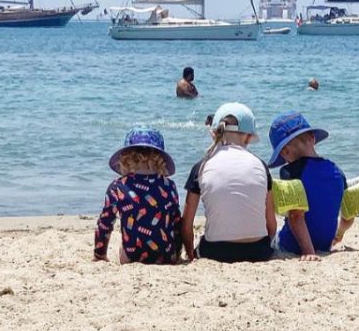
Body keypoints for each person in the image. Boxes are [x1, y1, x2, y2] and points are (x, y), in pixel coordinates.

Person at [181, 103, 275, 263]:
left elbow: (186, 223)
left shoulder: (202, 166)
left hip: (216, 252)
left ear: (214, 133)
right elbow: (271, 223)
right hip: (259, 251)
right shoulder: (261, 165)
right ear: (248, 136)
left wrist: (190, 254)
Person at [268, 111, 352, 261]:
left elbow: (296, 215)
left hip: (292, 245)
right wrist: (338, 235)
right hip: (325, 245)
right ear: (313, 138)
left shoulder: (290, 171)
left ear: (285, 152)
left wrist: (309, 251)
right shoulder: (338, 171)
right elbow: (348, 216)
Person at [93, 127, 181, 264]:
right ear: (160, 158)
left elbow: (105, 224)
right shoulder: (169, 186)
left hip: (132, 257)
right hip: (166, 257)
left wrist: (99, 255)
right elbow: (176, 224)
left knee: (123, 249)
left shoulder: (118, 187)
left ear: (126, 157)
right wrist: (178, 253)